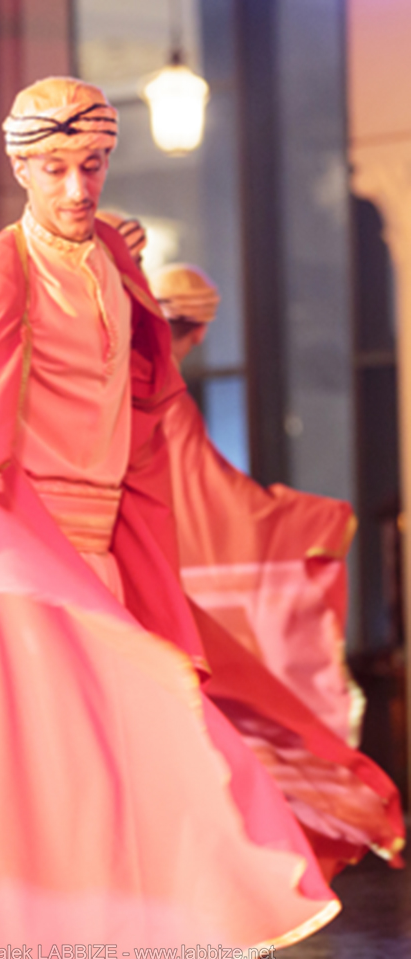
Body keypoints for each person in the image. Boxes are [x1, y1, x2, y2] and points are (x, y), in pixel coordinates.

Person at [0, 78, 402, 958]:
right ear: (21, 169)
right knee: (49, 760)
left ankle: (97, 932)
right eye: (56, 167)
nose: (78, 187)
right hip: (14, 558)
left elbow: (141, 398)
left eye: (94, 164)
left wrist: (128, 263)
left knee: (97, 757)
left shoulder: (106, 248)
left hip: (97, 552)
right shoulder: (2, 271)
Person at [151, 262, 362, 747]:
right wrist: (308, 518)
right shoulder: (167, 395)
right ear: (201, 331)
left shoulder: (134, 382)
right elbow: (212, 496)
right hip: (166, 553)